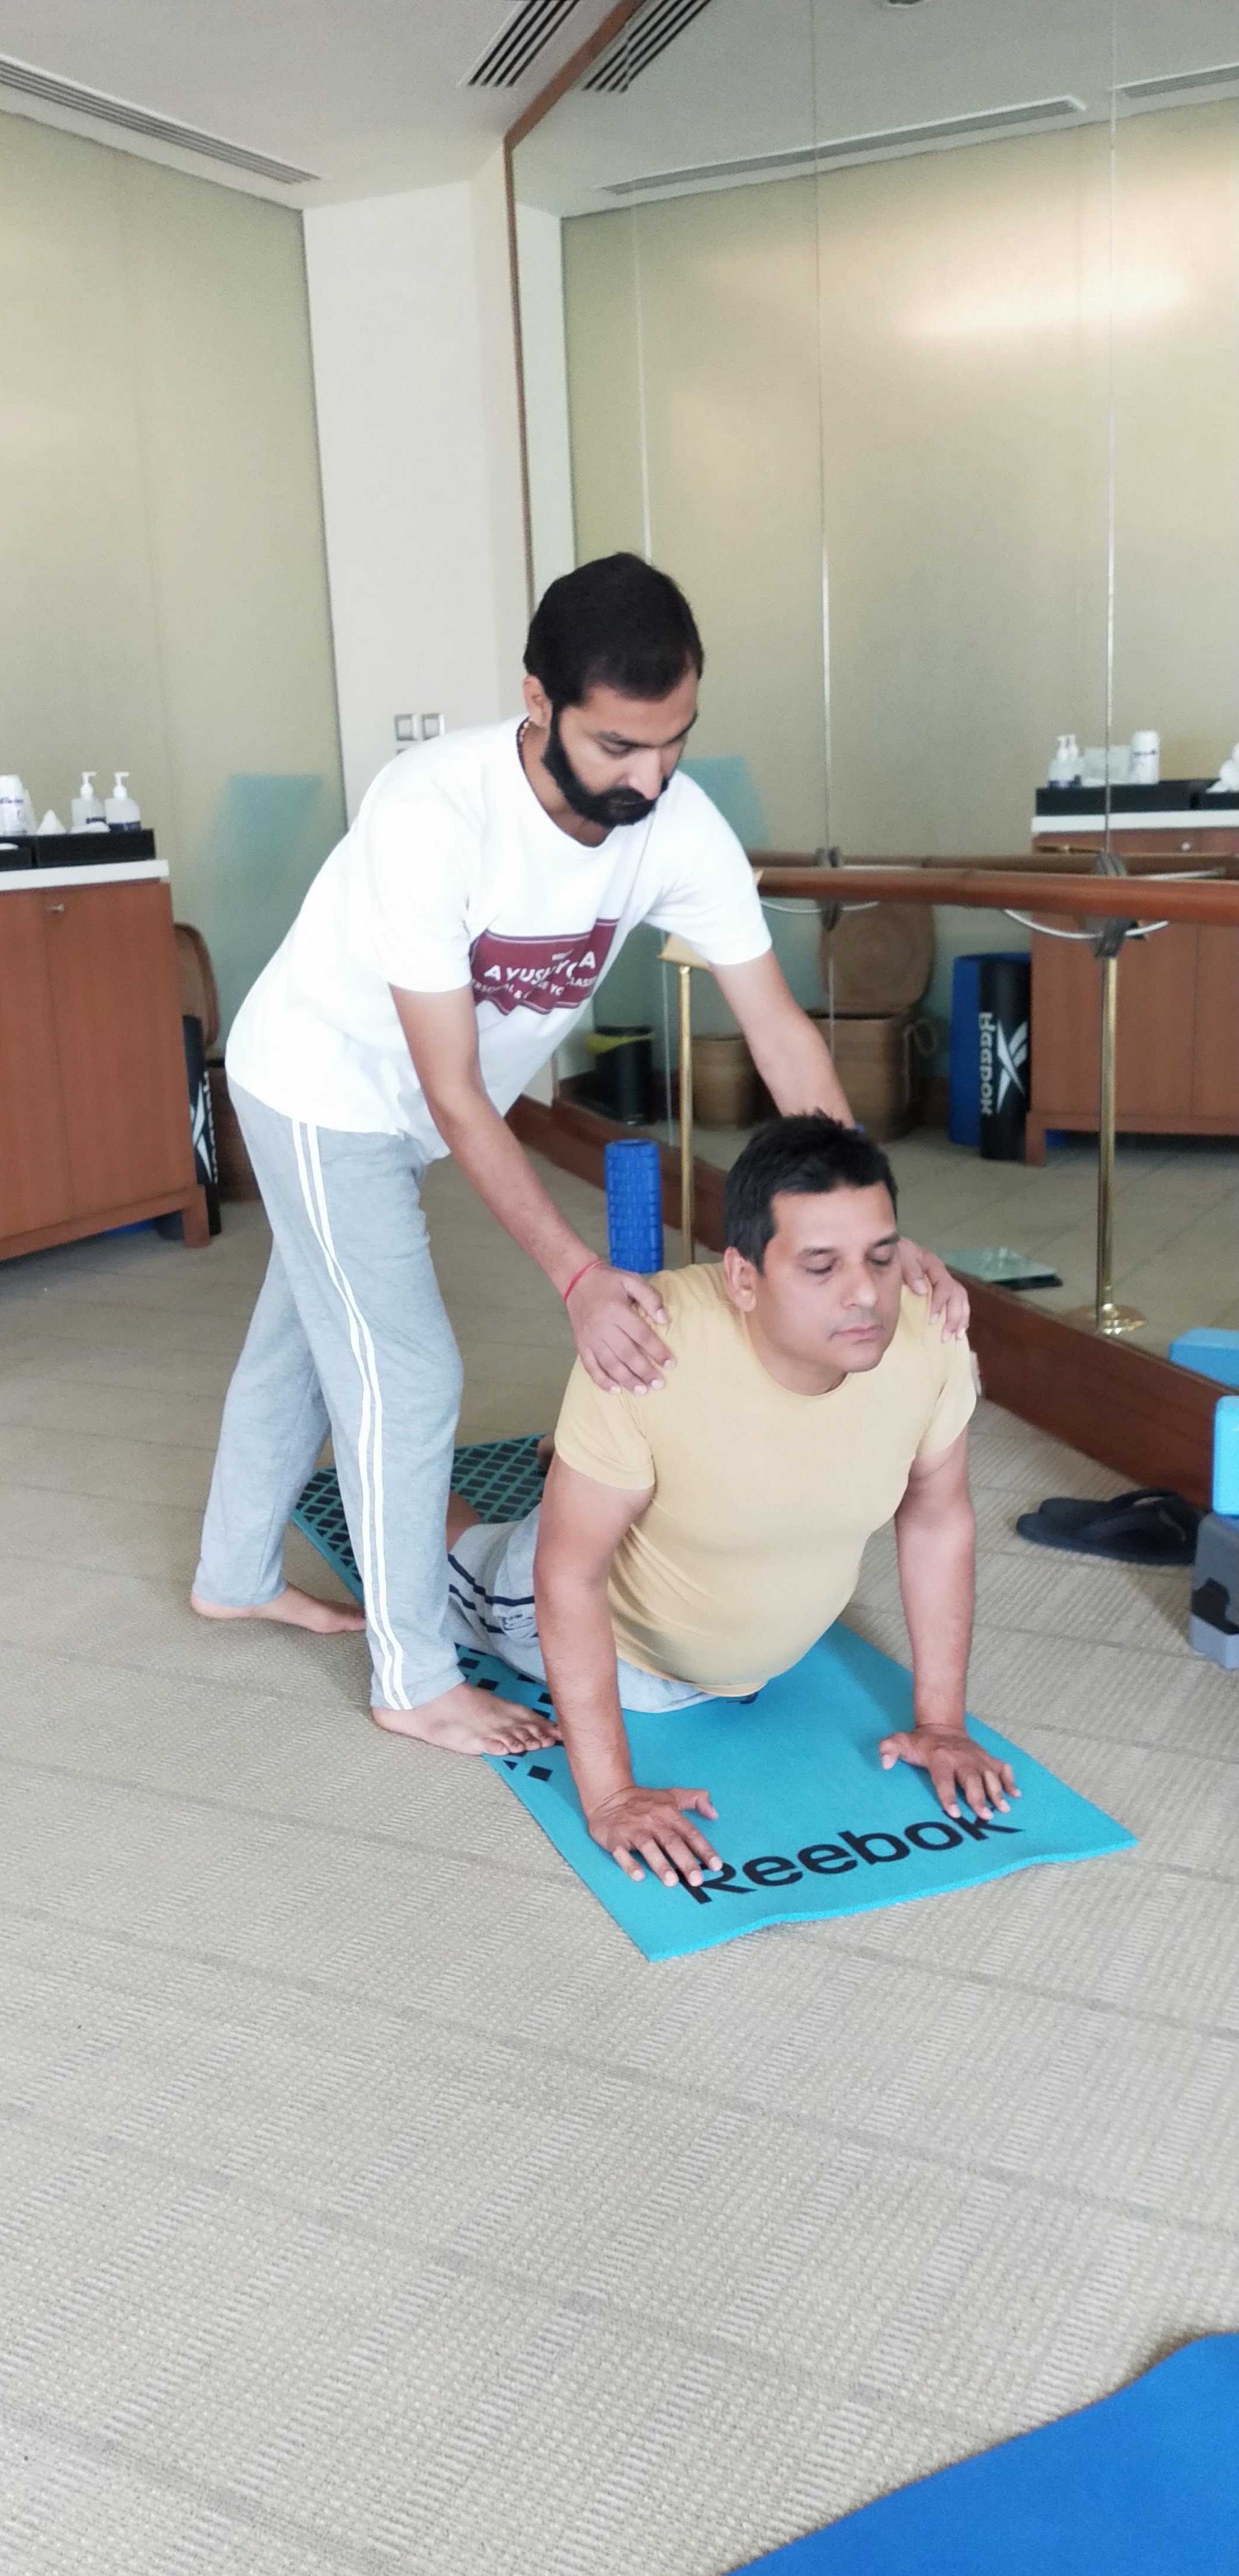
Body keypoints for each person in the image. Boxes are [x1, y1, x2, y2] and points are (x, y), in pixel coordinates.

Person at [193, 552, 967, 1758]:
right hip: (322, 1088)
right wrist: (571, 1274)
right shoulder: (430, 813)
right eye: (617, 747)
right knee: (405, 1371)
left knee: (313, 1321)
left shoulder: (677, 821)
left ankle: (232, 1573)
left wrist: (865, 1227)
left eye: (674, 741)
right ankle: (412, 1678)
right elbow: (452, 1094)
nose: (650, 778)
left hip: (415, 1104)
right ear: (537, 702)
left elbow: (777, 1034)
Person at [447, 1112, 1017, 1884]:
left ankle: (580, 1458)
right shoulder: (649, 1347)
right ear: (742, 1277)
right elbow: (566, 1577)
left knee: (620, 1476)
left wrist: (942, 1723)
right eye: (820, 1267)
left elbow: (938, 1520)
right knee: (444, 1549)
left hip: (738, 1628)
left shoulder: (929, 1338)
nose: (865, 1295)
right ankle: (405, 1482)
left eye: (881, 1259)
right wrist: (611, 1792)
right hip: (620, 1645)